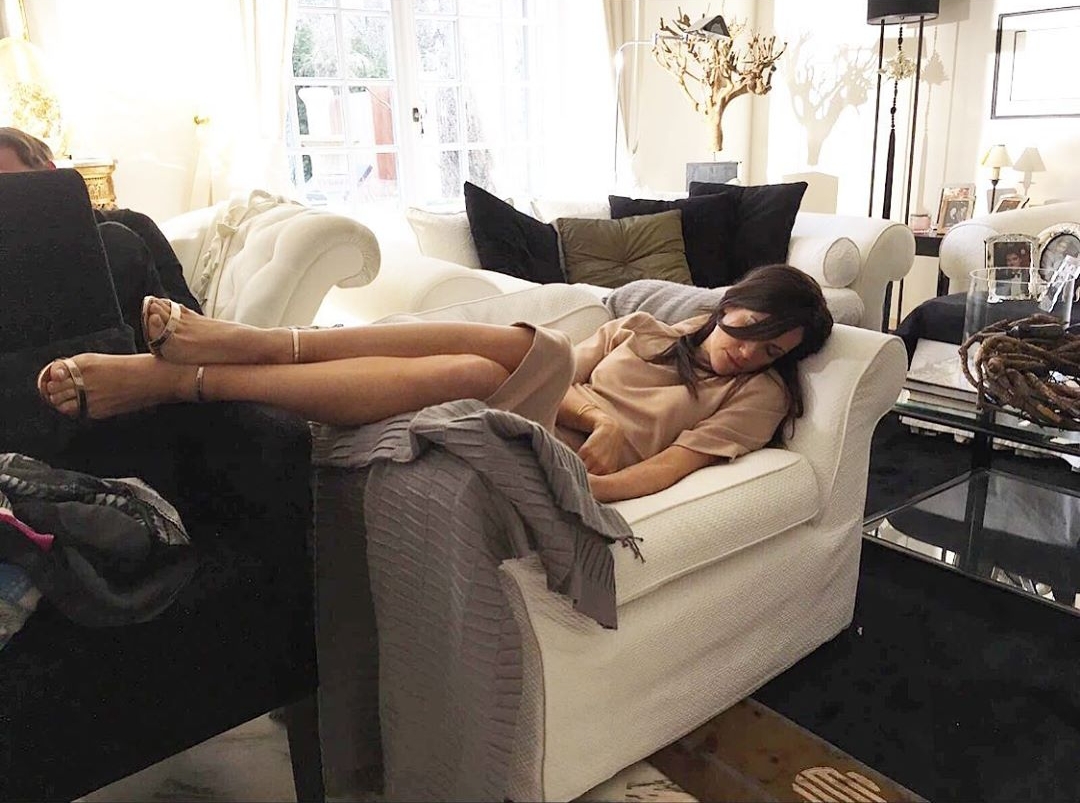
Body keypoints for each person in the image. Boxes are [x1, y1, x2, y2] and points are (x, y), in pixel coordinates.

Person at [38, 264, 833, 503]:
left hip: (561, 459)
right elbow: (562, 377)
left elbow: (670, 470)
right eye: (750, 330)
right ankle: (195, 378)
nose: (750, 353)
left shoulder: (758, 396)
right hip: (536, 412)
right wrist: (600, 414)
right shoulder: (648, 328)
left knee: (538, 354)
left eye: (772, 351)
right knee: (486, 368)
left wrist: (597, 475)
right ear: (732, 303)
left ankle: (238, 352)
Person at [0, 127, 202, 351]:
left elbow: (194, 327)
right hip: (32, 369)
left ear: (49, 174)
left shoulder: (132, 227)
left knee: (114, 240)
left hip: (136, 361)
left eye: (6, 186)